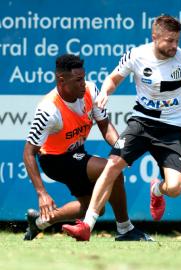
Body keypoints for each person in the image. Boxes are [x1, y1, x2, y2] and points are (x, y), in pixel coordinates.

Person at [62, 14, 181, 241]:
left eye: (177, 40)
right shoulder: (137, 55)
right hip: (141, 124)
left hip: (171, 129)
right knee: (112, 165)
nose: (174, 46)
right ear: (155, 36)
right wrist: (105, 94)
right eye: (169, 40)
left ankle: (156, 190)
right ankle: (86, 226)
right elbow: (112, 79)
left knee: (176, 188)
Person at [23, 54, 152, 241]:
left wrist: (120, 148)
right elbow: (28, 153)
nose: (83, 83)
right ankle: (125, 229)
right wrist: (42, 193)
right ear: (61, 80)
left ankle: (39, 222)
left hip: (76, 154)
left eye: (83, 77)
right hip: (55, 161)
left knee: (95, 207)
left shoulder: (91, 90)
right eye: (78, 80)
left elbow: (105, 125)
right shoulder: (48, 110)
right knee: (112, 170)